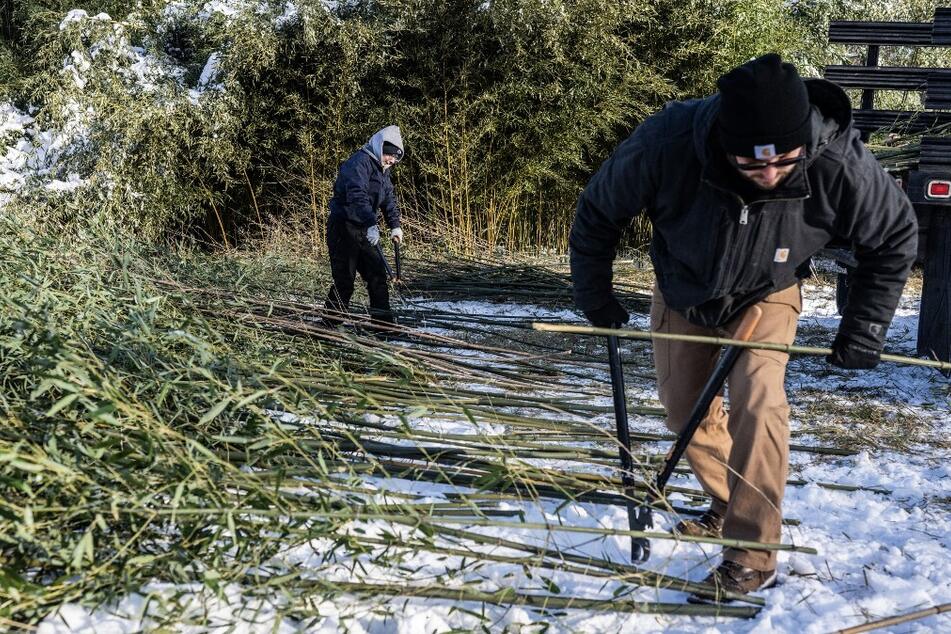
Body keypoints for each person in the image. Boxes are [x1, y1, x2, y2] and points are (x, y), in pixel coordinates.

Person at [569, 54, 917, 600]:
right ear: (724, 143)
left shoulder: (839, 161)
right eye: (753, 166)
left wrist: (865, 327)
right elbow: (597, 211)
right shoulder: (668, 141)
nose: (771, 174)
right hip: (684, 287)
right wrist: (595, 294)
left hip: (768, 291)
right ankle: (729, 502)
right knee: (684, 409)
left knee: (758, 401)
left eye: (784, 161)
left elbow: (895, 237)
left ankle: (753, 554)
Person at [325, 125, 405, 329]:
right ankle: (329, 324)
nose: (392, 161)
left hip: (364, 229)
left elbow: (388, 199)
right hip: (344, 228)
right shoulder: (359, 163)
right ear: (380, 148)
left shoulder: (382, 170)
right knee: (345, 280)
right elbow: (356, 196)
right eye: (390, 155)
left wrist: (395, 225)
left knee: (377, 276)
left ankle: (383, 326)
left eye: (395, 158)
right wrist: (371, 223)